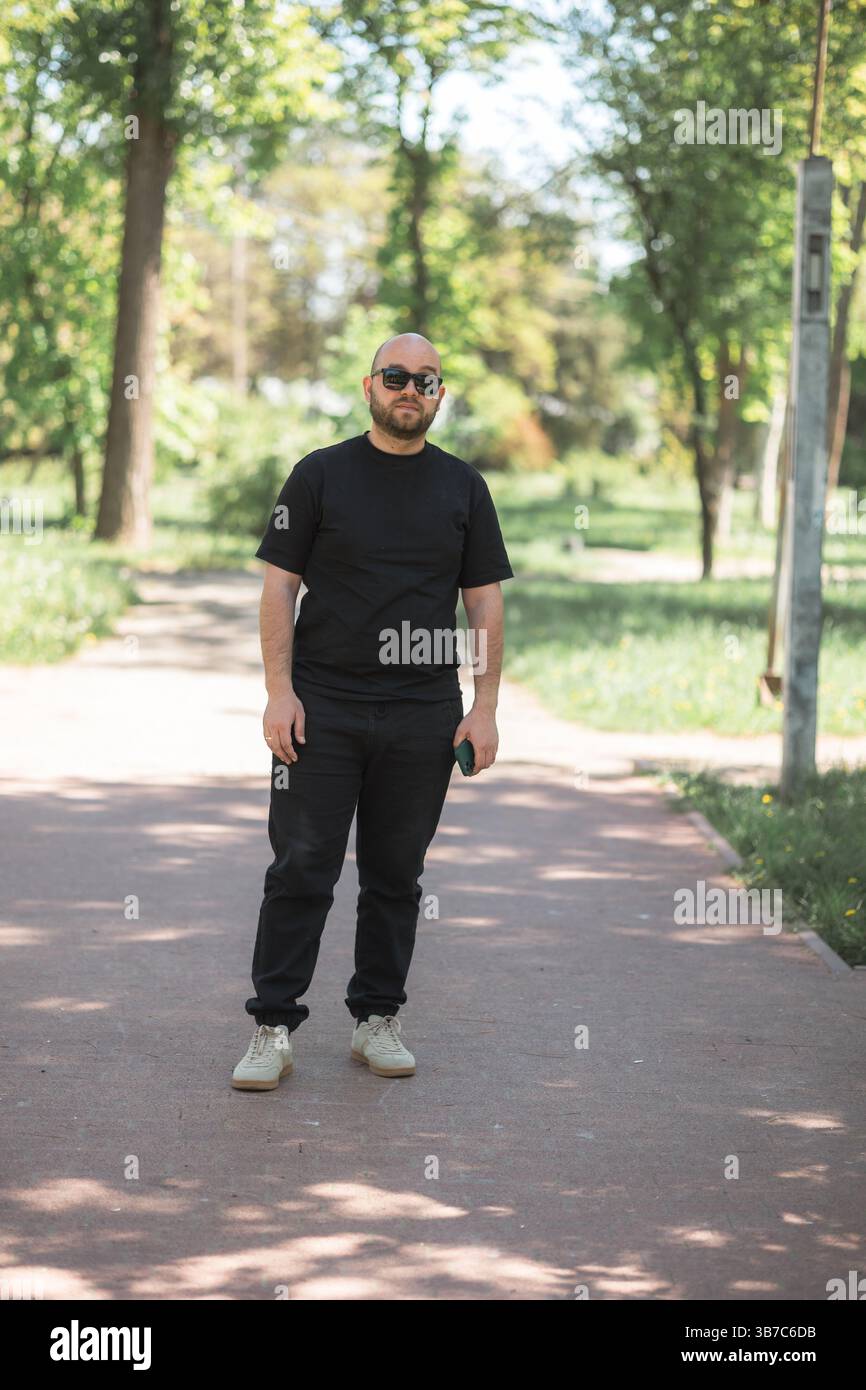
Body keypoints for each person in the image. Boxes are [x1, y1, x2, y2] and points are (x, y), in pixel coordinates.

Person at [231, 332, 513, 1089]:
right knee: (301, 868)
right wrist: (279, 692)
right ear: (369, 386)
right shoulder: (320, 476)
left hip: (424, 708)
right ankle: (272, 1026)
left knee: (396, 874)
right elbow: (278, 586)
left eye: (426, 380)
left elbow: (483, 603)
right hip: (322, 705)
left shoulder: (463, 488)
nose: (409, 390)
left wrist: (483, 708)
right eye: (396, 376)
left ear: (440, 396)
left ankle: (376, 1019)